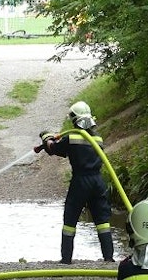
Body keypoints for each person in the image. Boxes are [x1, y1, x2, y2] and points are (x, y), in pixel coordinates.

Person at [37, 101, 115, 264]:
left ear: (74, 119)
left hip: (81, 181)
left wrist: (46, 137)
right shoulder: (98, 138)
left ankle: (66, 259)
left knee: (70, 218)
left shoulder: (71, 137)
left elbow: (53, 149)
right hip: (97, 181)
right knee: (102, 220)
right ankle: (108, 258)